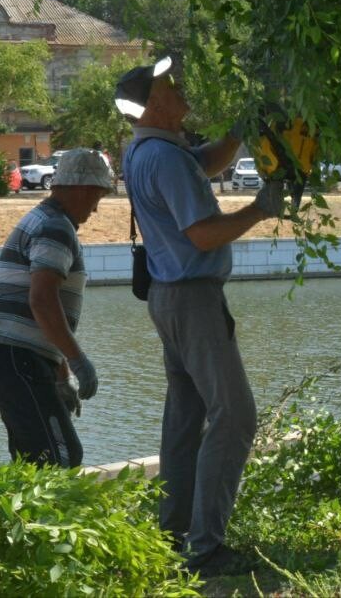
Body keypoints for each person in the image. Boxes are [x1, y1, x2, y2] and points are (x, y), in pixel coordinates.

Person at [116, 56, 285, 577]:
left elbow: (203, 164)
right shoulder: (165, 158)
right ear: (155, 103)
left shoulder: (147, 149)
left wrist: (238, 131)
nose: (179, 86)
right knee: (234, 415)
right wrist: (260, 209)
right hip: (192, 301)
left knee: (185, 420)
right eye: (169, 84)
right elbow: (203, 235)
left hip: (169, 298)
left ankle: (172, 535)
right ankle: (206, 548)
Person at [0, 148, 115, 467]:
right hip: (13, 354)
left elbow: (45, 308)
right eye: (98, 197)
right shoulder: (56, 228)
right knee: (60, 456)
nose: (95, 208)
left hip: (5, 353)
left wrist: (61, 373)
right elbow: (43, 300)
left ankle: (21, 502)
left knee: (34, 454)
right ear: (84, 189)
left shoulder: (45, 218)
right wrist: (79, 361)